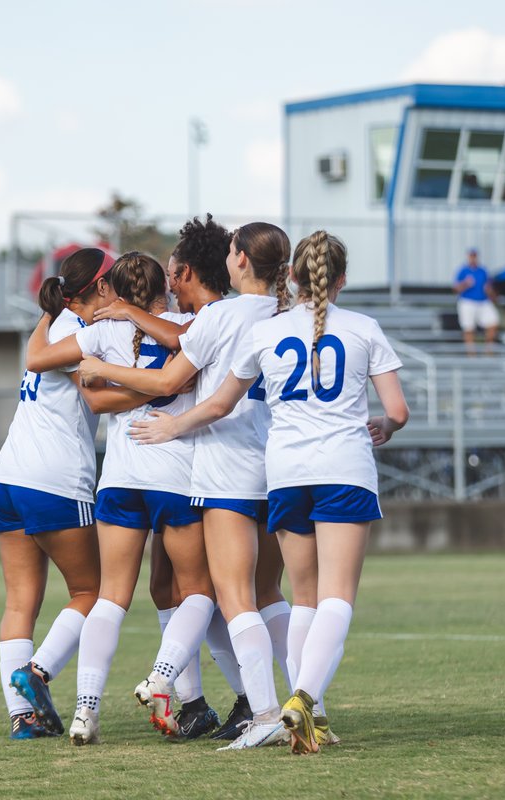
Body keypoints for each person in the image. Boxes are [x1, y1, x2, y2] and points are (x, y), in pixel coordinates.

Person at [129, 230, 408, 753]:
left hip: (258, 471)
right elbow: (397, 411)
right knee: (293, 597)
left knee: (244, 599)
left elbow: (181, 383)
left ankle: (264, 711)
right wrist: (385, 426)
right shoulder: (345, 325)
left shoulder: (238, 319)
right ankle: (310, 705)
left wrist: (165, 422)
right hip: (306, 468)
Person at [78, 222, 293, 751]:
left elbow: (169, 380)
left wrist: (105, 365)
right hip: (281, 465)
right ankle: (304, 703)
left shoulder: (214, 317)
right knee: (270, 596)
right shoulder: (287, 313)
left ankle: (239, 703)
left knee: (222, 595)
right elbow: (181, 351)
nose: (172, 282)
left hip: (211, 468)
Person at [0, 248, 145, 741]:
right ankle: (36, 671)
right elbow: (96, 396)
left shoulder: (52, 323)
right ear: (100, 288)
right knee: (94, 592)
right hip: (55, 479)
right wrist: (164, 389)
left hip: (7, 476)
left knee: (20, 601)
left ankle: (24, 717)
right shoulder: (85, 335)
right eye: (115, 278)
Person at [453, 248, 499, 354]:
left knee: (493, 322)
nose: (473, 258)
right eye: (471, 256)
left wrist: (490, 292)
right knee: (468, 327)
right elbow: (455, 289)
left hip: (483, 301)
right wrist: (465, 283)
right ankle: (471, 353)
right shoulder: (463, 271)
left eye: (474, 256)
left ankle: (489, 350)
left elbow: (489, 288)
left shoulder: (483, 271)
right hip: (467, 301)